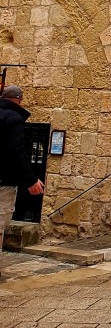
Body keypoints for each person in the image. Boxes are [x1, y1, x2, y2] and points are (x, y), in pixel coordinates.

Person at [0, 85, 44, 252]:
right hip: (3, 182)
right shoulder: (13, 118)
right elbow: (16, 152)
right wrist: (31, 180)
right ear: (19, 100)